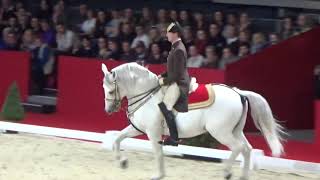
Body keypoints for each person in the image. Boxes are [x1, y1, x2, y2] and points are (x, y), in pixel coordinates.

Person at [158, 22, 190, 146]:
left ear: (175, 33)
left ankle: (174, 138)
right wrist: (162, 75)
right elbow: (172, 68)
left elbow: (177, 74)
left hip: (179, 83)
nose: (166, 35)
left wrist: (163, 81)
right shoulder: (175, 47)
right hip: (175, 78)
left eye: (168, 33)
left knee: (165, 106)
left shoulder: (179, 49)